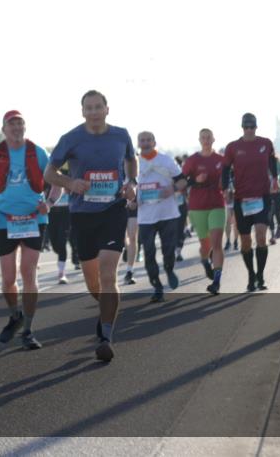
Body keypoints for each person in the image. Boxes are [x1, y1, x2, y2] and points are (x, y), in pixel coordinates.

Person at [44, 90, 137, 362]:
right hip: (83, 214)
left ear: (107, 109)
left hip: (113, 210)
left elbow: (131, 160)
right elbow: (50, 173)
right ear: (82, 112)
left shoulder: (121, 136)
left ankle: (106, 335)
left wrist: (131, 183)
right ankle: (106, 310)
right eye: (89, 108)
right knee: (93, 282)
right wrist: (70, 183)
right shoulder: (71, 139)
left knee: (109, 273)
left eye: (98, 107)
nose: (94, 112)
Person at [0, 110, 49, 349]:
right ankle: (14, 314)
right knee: (8, 279)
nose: (16, 128)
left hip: (33, 219)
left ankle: (27, 329)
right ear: (4, 129)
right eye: (11, 124)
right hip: (5, 219)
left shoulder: (38, 152)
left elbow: (55, 181)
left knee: (29, 273)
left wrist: (49, 202)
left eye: (20, 124)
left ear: (24, 127)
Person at [222, 113, 278, 292]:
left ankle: (260, 276)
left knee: (261, 237)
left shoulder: (265, 143)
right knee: (245, 241)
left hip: (262, 196)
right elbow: (224, 169)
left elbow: (272, 161)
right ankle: (251, 274)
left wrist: (275, 179)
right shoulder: (233, 147)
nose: (249, 130)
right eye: (246, 127)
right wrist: (225, 189)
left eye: (252, 127)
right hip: (241, 199)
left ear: (256, 127)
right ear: (242, 127)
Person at [135, 132, 186, 302]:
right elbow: (128, 187)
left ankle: (169, 270)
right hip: (145, 216)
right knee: (149, 252)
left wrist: (172, 189)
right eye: (142, 140)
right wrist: (130, 201)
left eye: (149, 139)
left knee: (168, 249)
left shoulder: (165, 160)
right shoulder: (133, 163)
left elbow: (182, 181)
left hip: (167, 214)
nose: (146, 142)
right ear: (138, 143)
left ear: (154, 142)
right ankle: (157, 286)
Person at [182, 129, 227, 294]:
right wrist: (195, 180)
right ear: (199, 140)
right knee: (205, 245)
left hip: (217, 204)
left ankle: (216, 281)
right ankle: (205, 261)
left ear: (213, 139)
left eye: (209, 137)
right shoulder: (193, 160)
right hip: (197, 206)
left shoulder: (221, 160)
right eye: (203, 137)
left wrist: (226, 183)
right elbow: (182, 180)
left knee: (216, 243)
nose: (206, 140)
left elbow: (229, 178)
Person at [44, 184, 73, 284]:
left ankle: (62, 273)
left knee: (62, 241)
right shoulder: (47, 179)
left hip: (65, 212)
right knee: (55, 245)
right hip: (51, 213)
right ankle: (59, 252)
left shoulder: (66, 176)